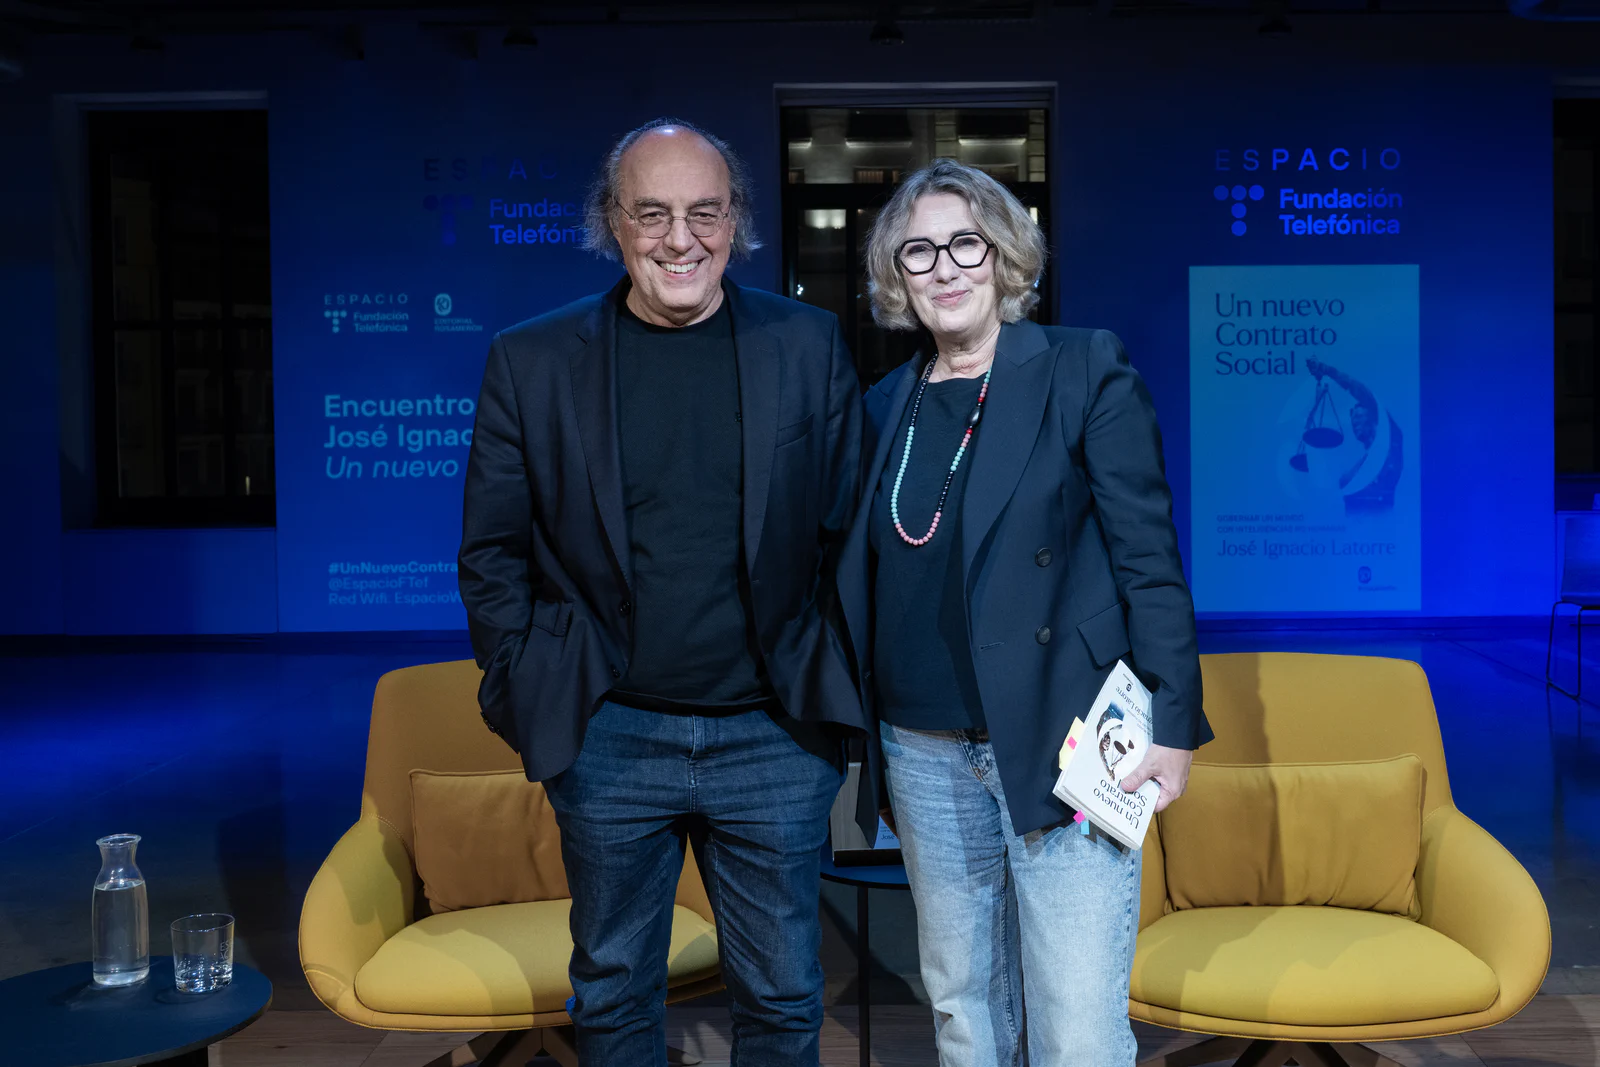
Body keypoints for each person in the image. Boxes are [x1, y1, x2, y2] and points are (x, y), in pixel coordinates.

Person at [458, 117, 863, 1066]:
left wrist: (831, 694)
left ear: (736, 222)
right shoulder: (533, 359)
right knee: (611, 994)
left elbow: (851, 538)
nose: (680, 238)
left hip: (773, 735)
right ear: (613, 221)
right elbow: (491, 554)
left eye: (703, 213)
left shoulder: (806, 345)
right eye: (653, 214)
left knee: (783, 997)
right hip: (608, 733)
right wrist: (530, 692)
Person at [835, 158, 1212, 1067]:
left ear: (1004, 255)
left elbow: (1148, 557)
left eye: (965, 242)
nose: (945, 267)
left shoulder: (1081, 366)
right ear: (896, 277)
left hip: (1064, 736)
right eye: (918, 252)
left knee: (1077, 1027)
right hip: (920, 749)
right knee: (964, 1005)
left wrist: (1171, 719)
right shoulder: (886, 405)